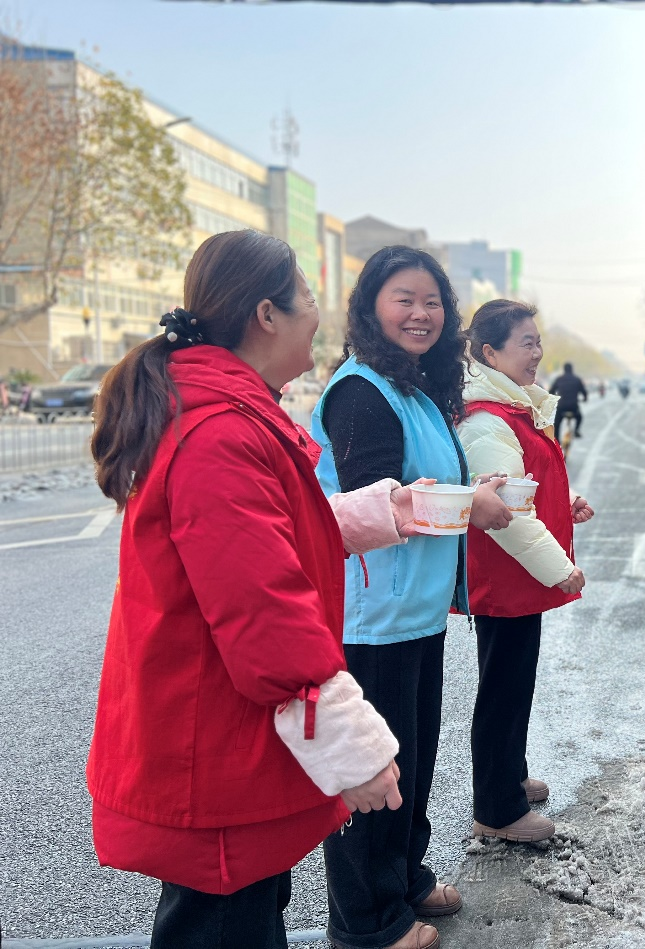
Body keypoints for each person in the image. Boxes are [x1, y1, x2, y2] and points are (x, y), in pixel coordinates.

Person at [86, 230, 405, 949]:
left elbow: (261, 535)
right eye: (308, 296)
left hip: (221, 740)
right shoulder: (221, 431)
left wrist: (385, 511)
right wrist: (352, 748)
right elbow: (263, 608)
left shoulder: (223, 412)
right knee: (228, 924)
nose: (317, 313)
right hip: (216, 750)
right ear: (267, 314)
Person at [310, 246, 514, 949]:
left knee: (413, 759)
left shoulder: (414, 388)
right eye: (404, 299)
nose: (420, 313)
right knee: (375, 771)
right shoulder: (361, 390)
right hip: (372, 616)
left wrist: (473, 493)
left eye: (432, 302)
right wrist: (469, 506)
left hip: (416, 612)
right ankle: (365, 920)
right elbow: (377, 502)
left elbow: (424, 486)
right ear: (371, 307)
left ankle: (403, 877)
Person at [457, 300, 594, 842]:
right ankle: (497, 811)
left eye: (538, 342)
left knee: (514, 684)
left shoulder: (512, 408)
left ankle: (509, 777)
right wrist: (560, 569)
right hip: (506, 576)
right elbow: (508, 516)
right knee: (503, 691)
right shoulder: (488, 421)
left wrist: (567, 501)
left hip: (516, 577)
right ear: (490, 353)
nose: (537, 353)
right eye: (526, 343)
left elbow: (525, 486)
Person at [549, 361, 587, 439]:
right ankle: (576, 431)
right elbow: (584, 392)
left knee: (557, 423)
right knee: (579, 417)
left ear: (564, 369)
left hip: (561, 406)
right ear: (572, 369)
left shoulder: (559, 379)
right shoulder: (577, 379)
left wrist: (554, 397)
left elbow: (551, 391)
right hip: (573, 407)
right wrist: (585, 398)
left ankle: (557, 440)